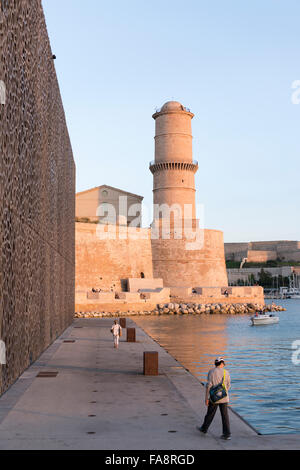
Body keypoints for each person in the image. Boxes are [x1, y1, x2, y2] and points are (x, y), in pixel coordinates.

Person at [197, 357, 231, 440]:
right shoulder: (226, 372)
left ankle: (204, 429)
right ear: (222, 363)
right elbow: (228, 385)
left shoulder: (211, 371)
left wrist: (206, 398)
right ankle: (227, 434)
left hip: (214, 398)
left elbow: (208, 386)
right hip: (224, 397)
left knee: (210, 413)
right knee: (225, 416)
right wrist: (223, 392)